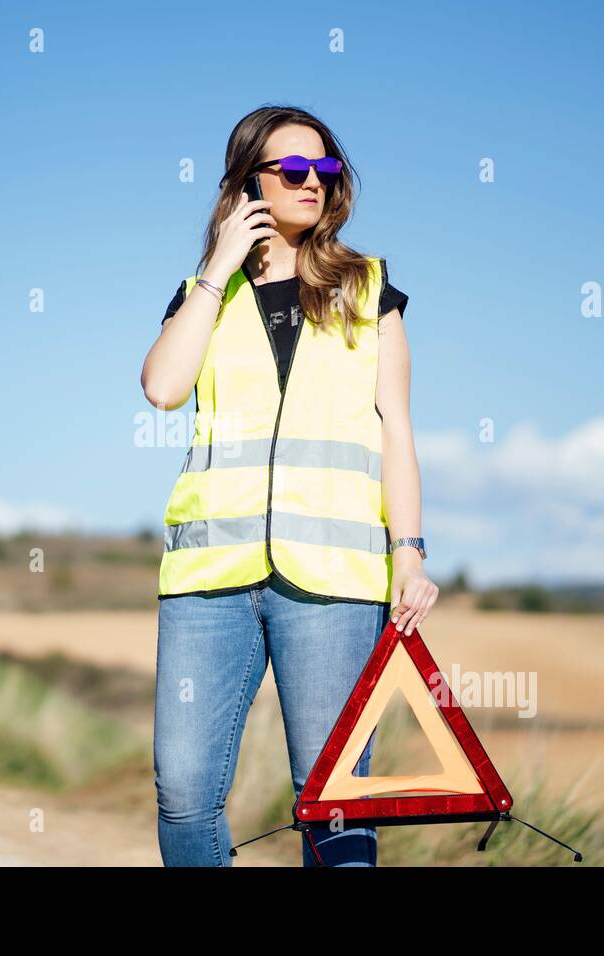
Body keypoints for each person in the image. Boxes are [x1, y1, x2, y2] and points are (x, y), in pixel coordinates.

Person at [140, 105, 439, 866]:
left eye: (326, 169)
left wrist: (409, 553)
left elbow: (397, 430)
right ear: (248, 182)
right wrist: (216, 270)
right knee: (182, 793)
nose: (313, 182)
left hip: (334, 584)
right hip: (209, 580)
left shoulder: (369, 290)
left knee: (334, 800)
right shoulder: (204, 294)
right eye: (292, 169)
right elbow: (162, 388)